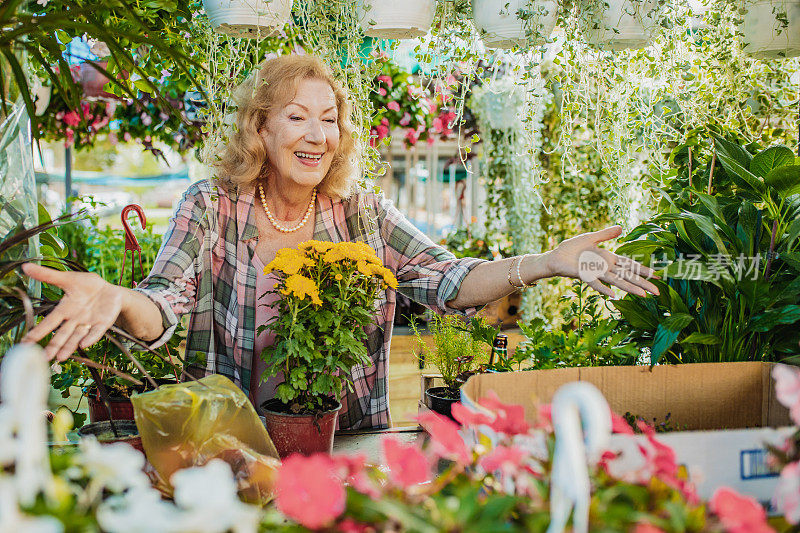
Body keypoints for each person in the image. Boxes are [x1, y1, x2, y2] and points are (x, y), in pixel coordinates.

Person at [21, 55, 659, 430]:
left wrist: (547, 263)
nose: (316, 134)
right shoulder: (211, 205)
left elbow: (450, 280)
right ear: (260, 130)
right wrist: (115, 297)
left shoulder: (362, 215)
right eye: (296, 116)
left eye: (328, 119)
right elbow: (163, 303)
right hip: (235, 448)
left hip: (351, 442)